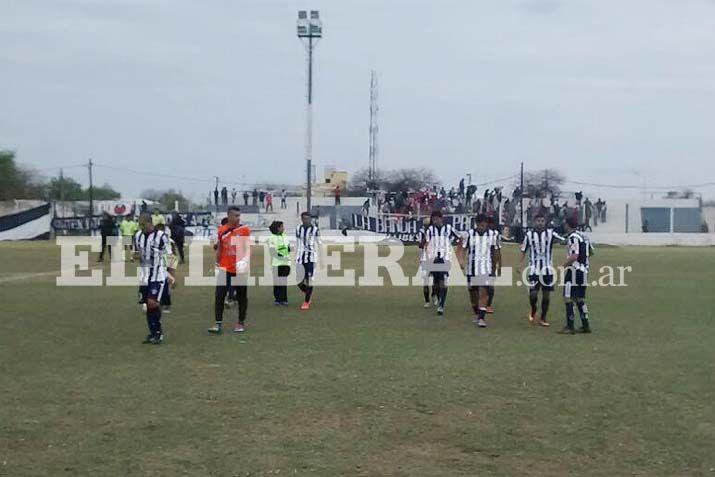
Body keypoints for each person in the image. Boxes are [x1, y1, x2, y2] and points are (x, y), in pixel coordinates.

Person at [133, 213, 175, 344]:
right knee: (147, 305)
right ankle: (152, 333)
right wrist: (136, 256)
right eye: (139, 225)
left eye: (143, 225)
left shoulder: (162, 236)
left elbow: (171, 257)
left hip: (158, 275)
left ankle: (158, 332)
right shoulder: (138, 236)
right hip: (144, 276)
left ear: (150, 223)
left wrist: (172, 275)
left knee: (152, 303)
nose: (141, 227)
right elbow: (136, 254)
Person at [208, 206, 251, 334]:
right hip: (225, 268)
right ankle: (218, 324)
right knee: (219, 295)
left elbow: (247, 249)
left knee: (242, 297)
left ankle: (240, 323)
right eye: (236, 216)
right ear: (229, 216)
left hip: (240, 268)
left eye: (239, 216)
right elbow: (220, 248)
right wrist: (217, 262)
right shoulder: (222, 230)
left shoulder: (244, 230)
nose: (238, 218)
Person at [519, 213, 566, 327]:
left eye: (542, 221)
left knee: (546, 295)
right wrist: (520, 265)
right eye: (538, 221)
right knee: (533, 294)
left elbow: (564, 240)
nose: (540, 223)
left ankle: (543, 317)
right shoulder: (529, 235)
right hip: (534, 270)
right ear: (535, 222)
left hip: (547, 270)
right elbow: (523, 250)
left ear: (545, 222)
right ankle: (533, 309)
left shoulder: (550, 233)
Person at [457, 214, 497, 328]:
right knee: (472, 292)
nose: (481, 226)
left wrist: (495, 267)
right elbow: (463, 249)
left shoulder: (492, 235)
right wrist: (461, 260)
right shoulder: (469, 235)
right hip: (472, 268)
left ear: (486, 224)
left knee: (483, 292)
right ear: (476, 223)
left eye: (483, 224)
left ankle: (481, 318)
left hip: (486, 268)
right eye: (478, 224)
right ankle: (477, 313)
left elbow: (494, 252)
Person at [422, 210, 460, 316]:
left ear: (441, 218)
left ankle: (441, 306)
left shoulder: (448, 228)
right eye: (433, 219)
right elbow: (427, 243)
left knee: (443, 282)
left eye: (436, 218)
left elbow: (460, 237)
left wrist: (457, 252)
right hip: (433, 258)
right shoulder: (430, 230)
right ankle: (438, 298)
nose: (435, 221)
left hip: (445, 258)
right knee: (436, 282)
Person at [558, 217, 592, 335]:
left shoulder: (572, 238)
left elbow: (574, 256)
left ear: (567, 225)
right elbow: (591, 252)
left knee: (568, 297)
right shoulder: (584, 236)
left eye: (565, 224)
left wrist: (563, 266)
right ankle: (585, 325)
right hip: (584, 271)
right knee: (580, 298)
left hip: (574, 270)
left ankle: (570, 326)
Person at [295, 211, 322, 310]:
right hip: (300, 257)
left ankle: (306, 302)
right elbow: (298, 243)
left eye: (308, 219)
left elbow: (319, 243)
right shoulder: (298, 228)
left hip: (311, 258)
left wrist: (322, 258)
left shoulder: (315, 229)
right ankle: (308, 293)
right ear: (302, 219)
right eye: (305, 219)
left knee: (309, 279)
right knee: (299, 281)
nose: (307, 220)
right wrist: (295, 256)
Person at [268, 221, 291, 306]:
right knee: (277, 282)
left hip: (286, 264)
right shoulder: (271, 238)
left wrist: (286, 256)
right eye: (282, 227)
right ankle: (277, 299)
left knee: (283, 282)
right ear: (278, 228)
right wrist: (282, 256)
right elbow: (272, 251)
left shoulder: (285, 237)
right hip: (276, 264)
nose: (283, 228)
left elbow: (288, 249)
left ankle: (284, 299)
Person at [418, 218, 437, 308]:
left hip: (434, 258)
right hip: (425, 259)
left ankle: (434, 295)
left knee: (435, 280)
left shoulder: (435, 232)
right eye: (426, 226)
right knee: (425, 281)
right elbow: (420, 245)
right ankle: (427, 300)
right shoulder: (421, 232)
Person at [485, 216, 503, 314]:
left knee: (491, 286)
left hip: (491, 263)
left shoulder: (496, 235)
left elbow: (498, 251)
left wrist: (500, 266)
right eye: (489, 224)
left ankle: (488, 305)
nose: (490, 226)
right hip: (481, 263)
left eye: (492, 224)